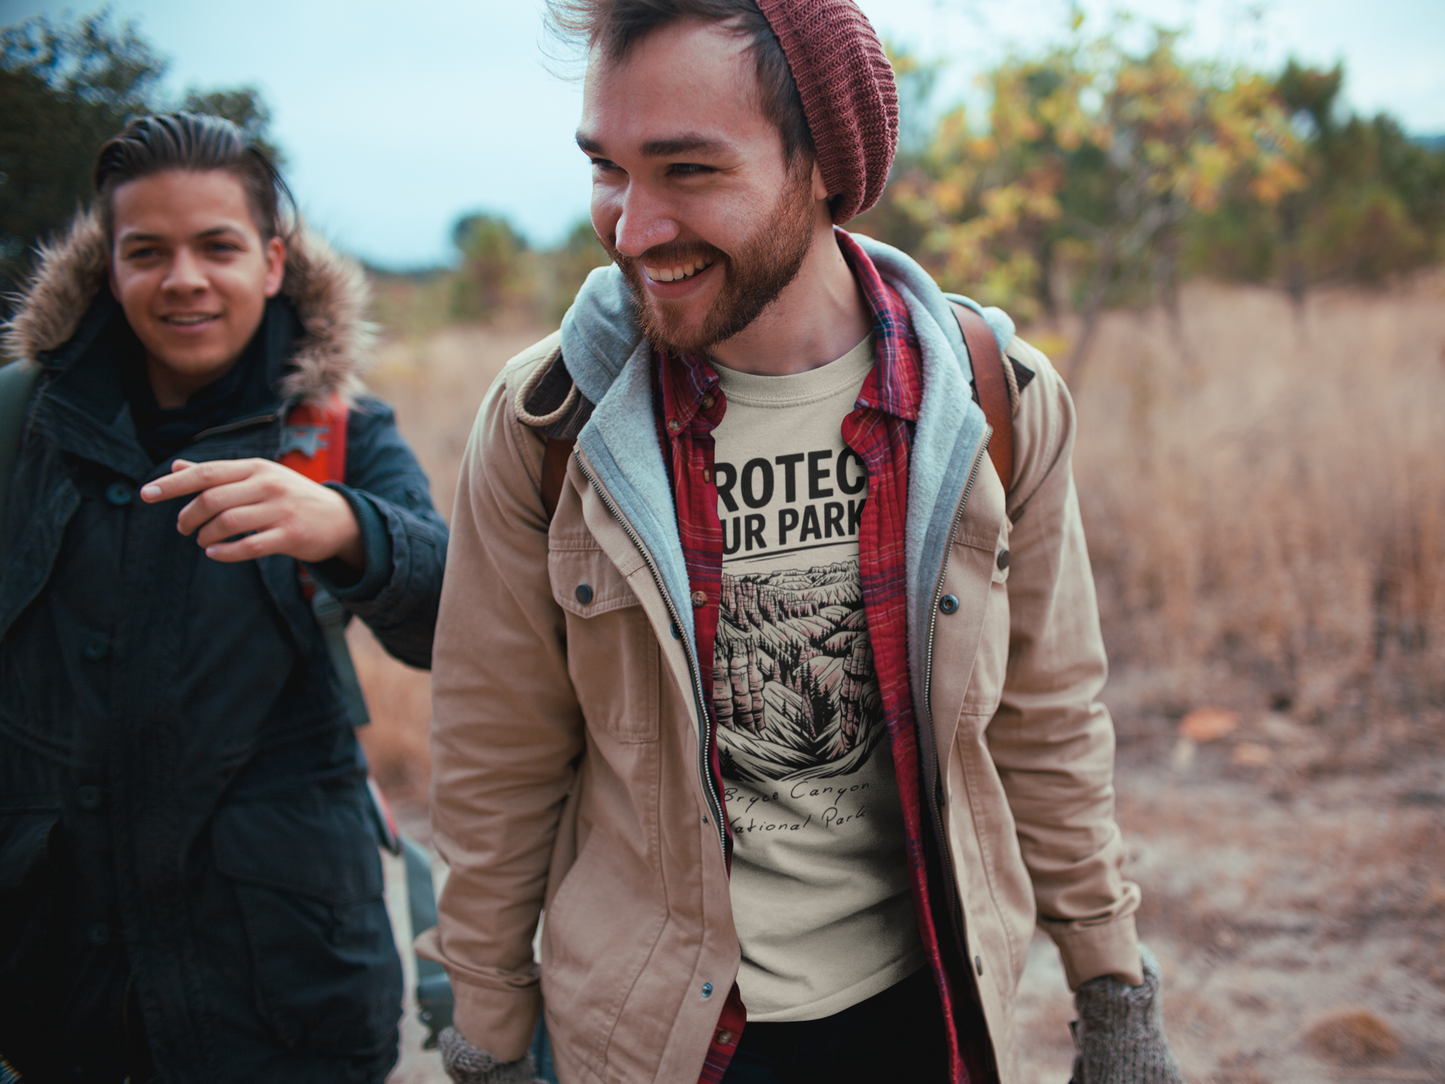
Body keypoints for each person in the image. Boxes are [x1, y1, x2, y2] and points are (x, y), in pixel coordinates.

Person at [423, 2, 1185, 1082]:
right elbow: (495, 761)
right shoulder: (549, 423)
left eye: (687, 171)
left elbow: (1048, 715)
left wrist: (1111, 990)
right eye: (608, 169)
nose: (631, 228)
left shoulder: (988, 402)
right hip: (669, 1044)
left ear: (825, 164)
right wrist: (490, 1038)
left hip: (932, 1013)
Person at [0, 113, 447, 1083]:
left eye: (218, 246)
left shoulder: (338, 431)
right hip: (60, 988)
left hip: (287, 997)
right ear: (107, 267)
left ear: (273, 261)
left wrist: (344, 527)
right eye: (147, 251)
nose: (184, 279)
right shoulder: (22, 425)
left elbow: (455, 624)